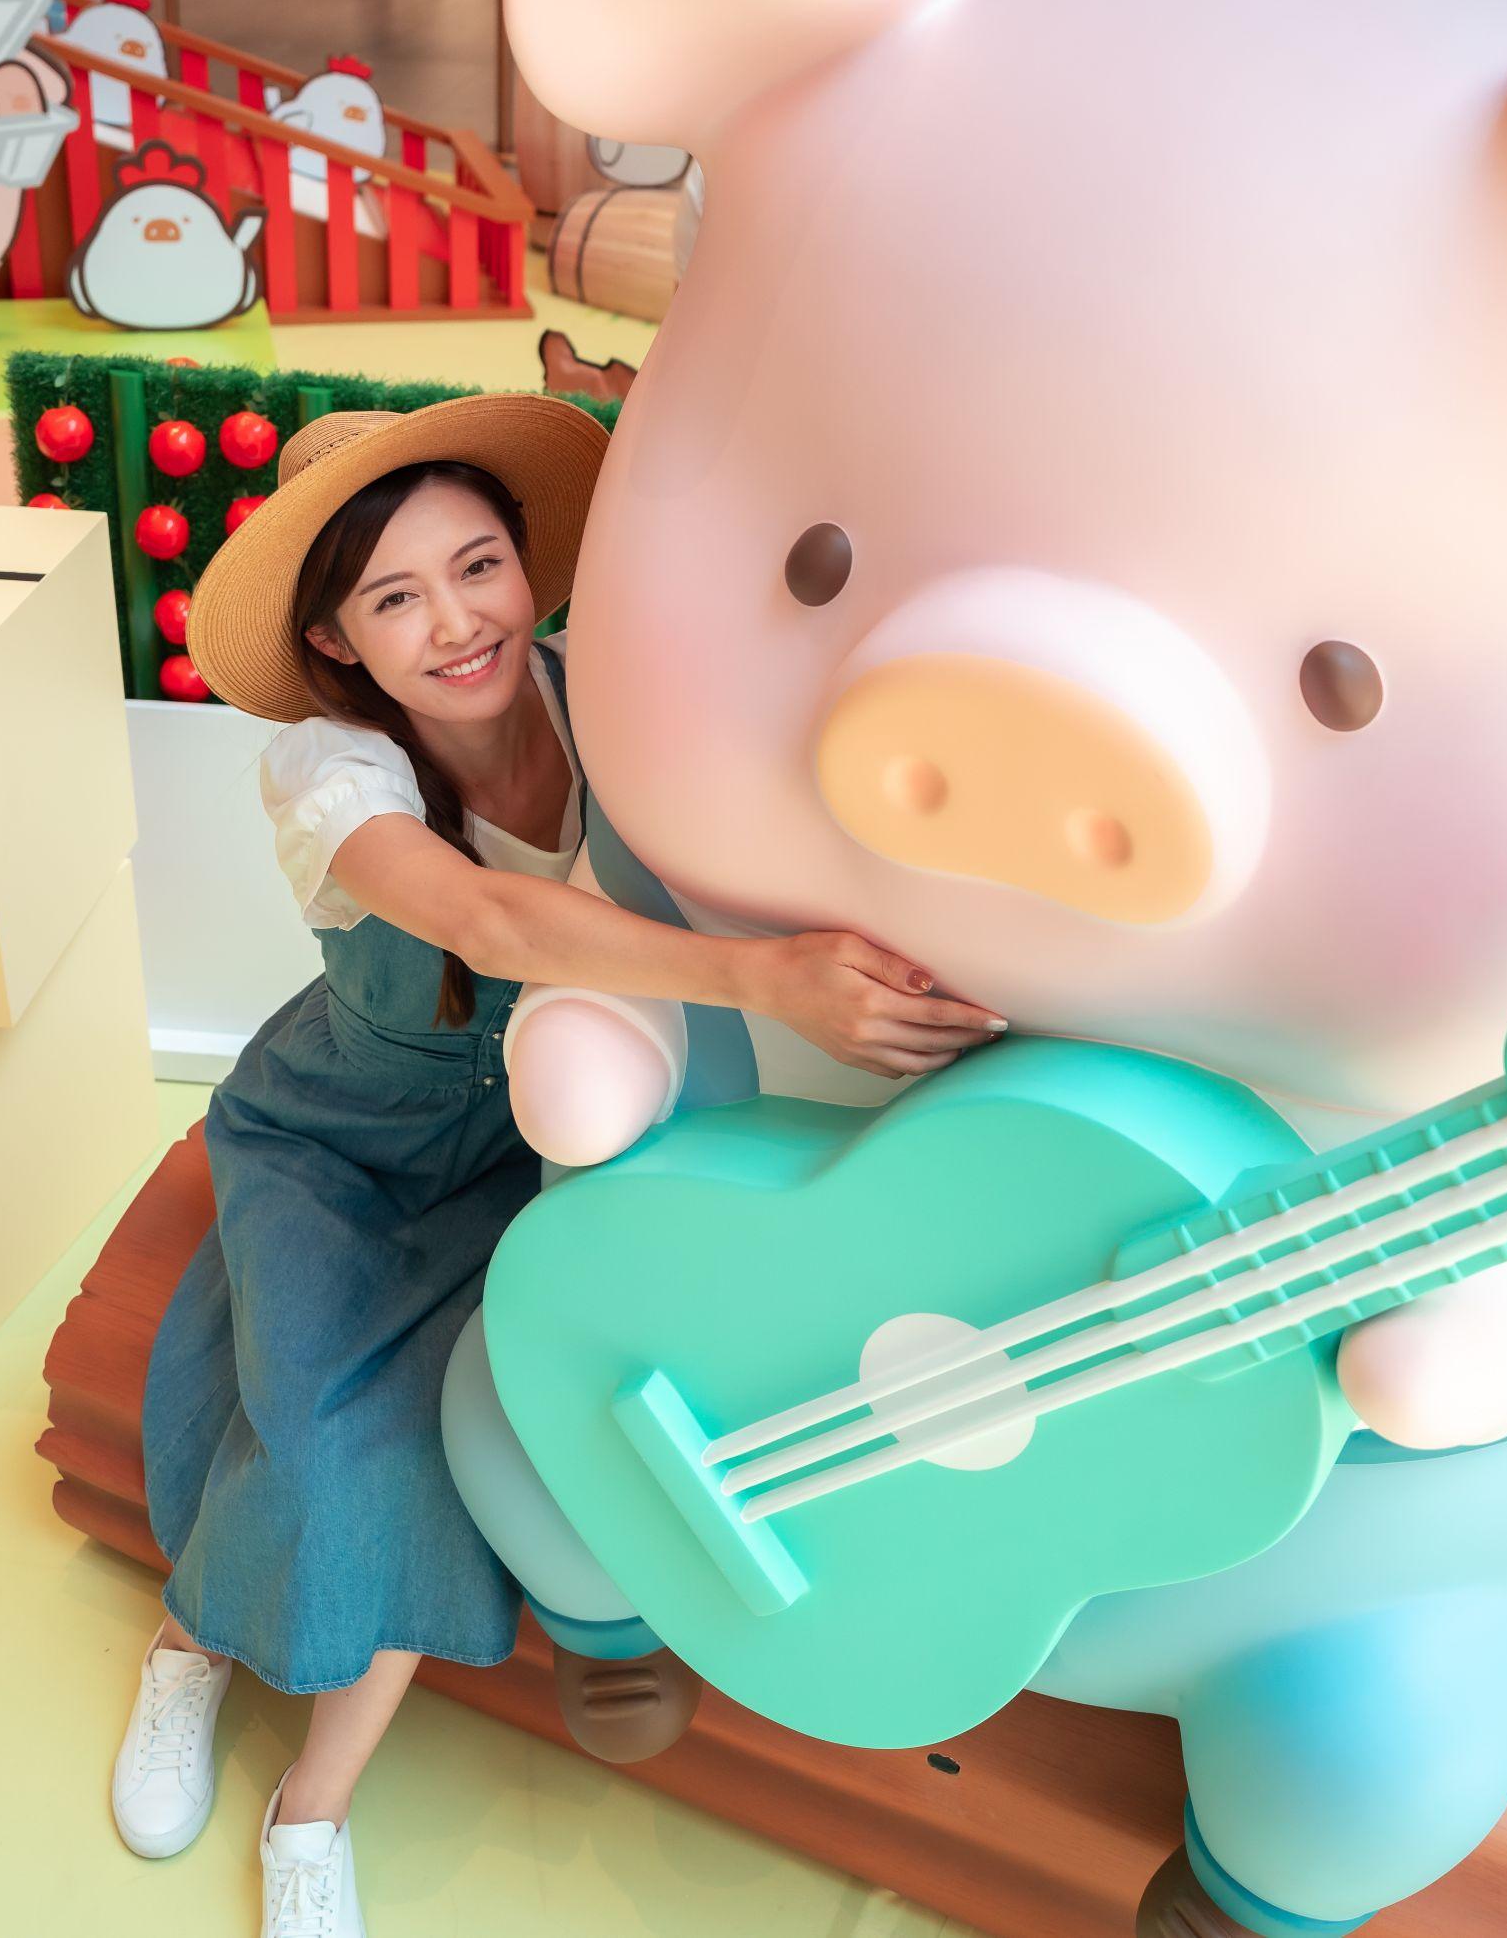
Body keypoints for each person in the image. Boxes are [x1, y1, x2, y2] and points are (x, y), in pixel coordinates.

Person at [112, 396, 1004, 1937]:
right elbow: (488, 921)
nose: (457, 622)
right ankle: (199, 1660)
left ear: (525, 561)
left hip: (537, 1140)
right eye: (395, 597)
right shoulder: (326, 767)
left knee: (437, 1435)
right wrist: (770, 981)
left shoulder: (607, 686)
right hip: (343, 1138)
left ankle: (301, 1786)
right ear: (332, 639)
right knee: (320, 1424)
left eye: (477, 566)